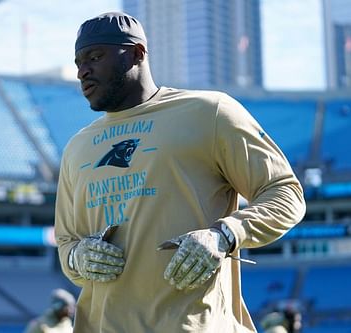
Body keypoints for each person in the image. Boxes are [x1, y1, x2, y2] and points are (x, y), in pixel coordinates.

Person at [54, 12, 306, 332]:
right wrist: (78, 258)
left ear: (137, 53)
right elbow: (66, 242)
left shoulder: (209, 112)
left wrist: (223, 235)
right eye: (78, 62)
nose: (82, 71)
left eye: (95, 56)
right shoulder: (77, 147)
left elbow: (285, 192)